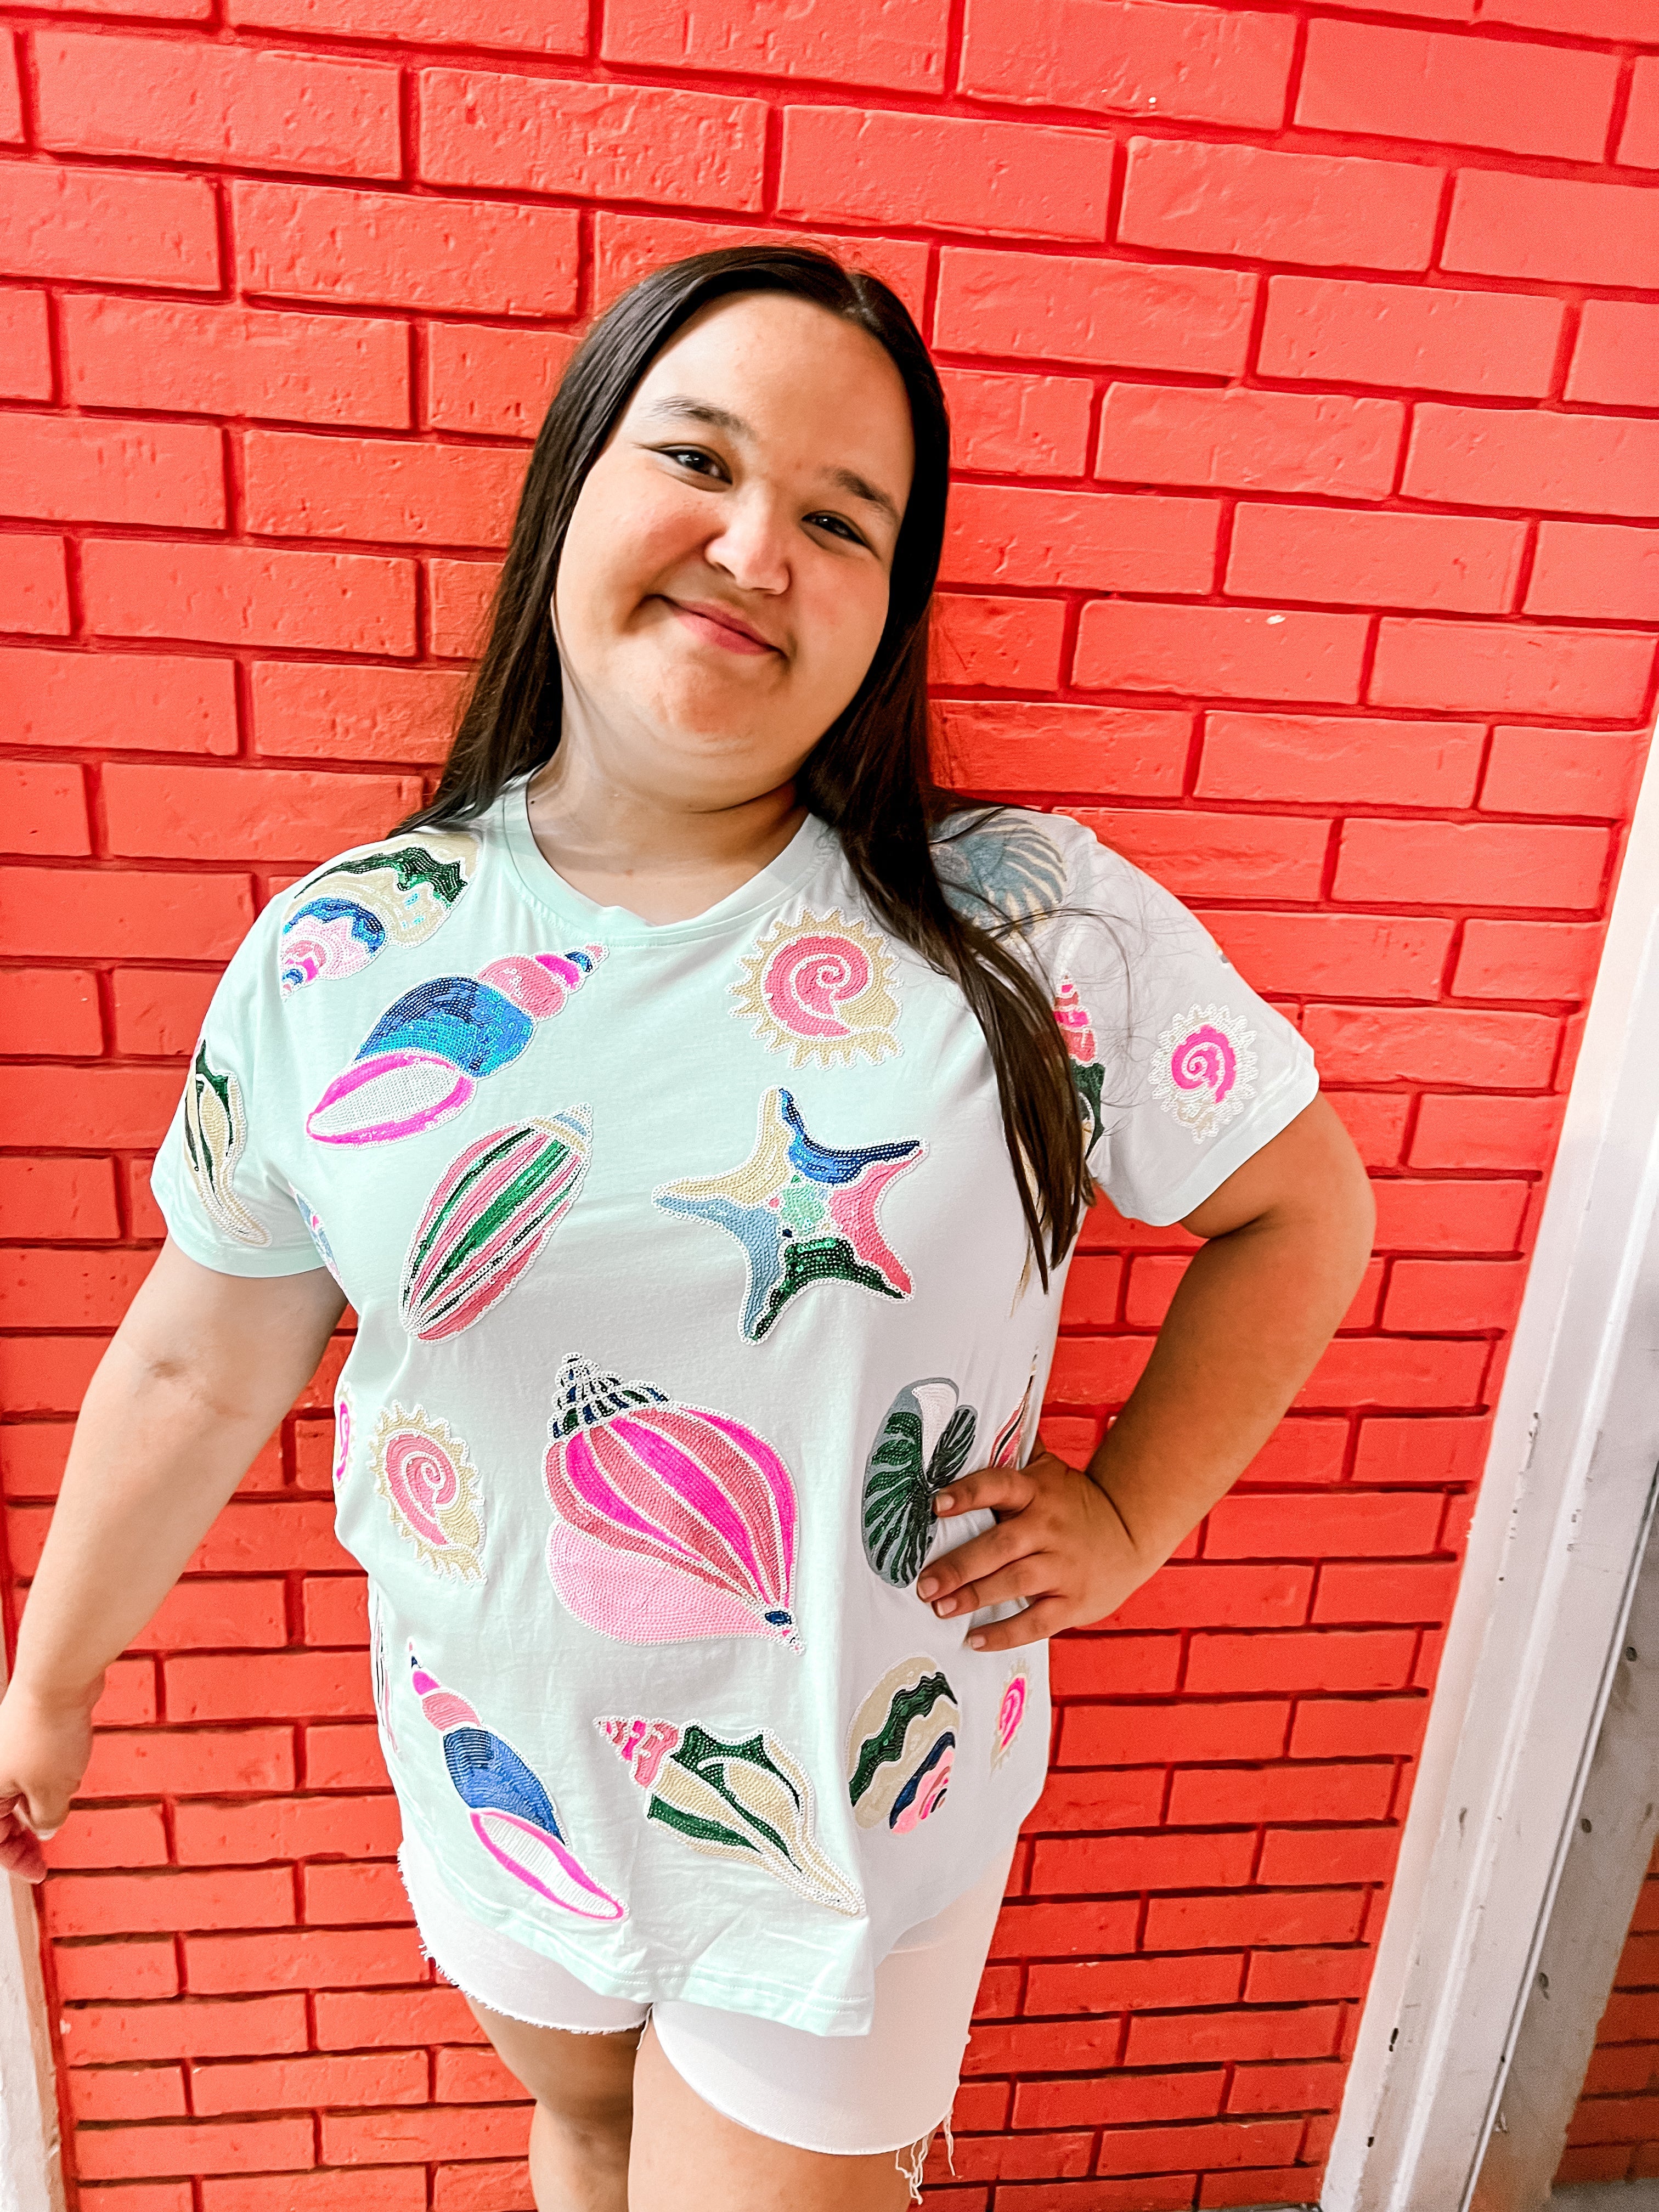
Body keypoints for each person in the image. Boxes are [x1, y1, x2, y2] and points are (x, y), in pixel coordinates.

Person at [0, 247, 1375, 2210]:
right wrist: (48, 1689)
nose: (754, 548)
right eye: (701, 461)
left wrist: (1133, 1513)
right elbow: (196, 1362)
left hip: (847, 1819)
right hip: (502, 1777)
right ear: (575, 483)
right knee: (582, 2132)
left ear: (888, 607)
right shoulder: (348, 948)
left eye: (842, 518)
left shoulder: (1030, 928)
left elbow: (1301, 1208)